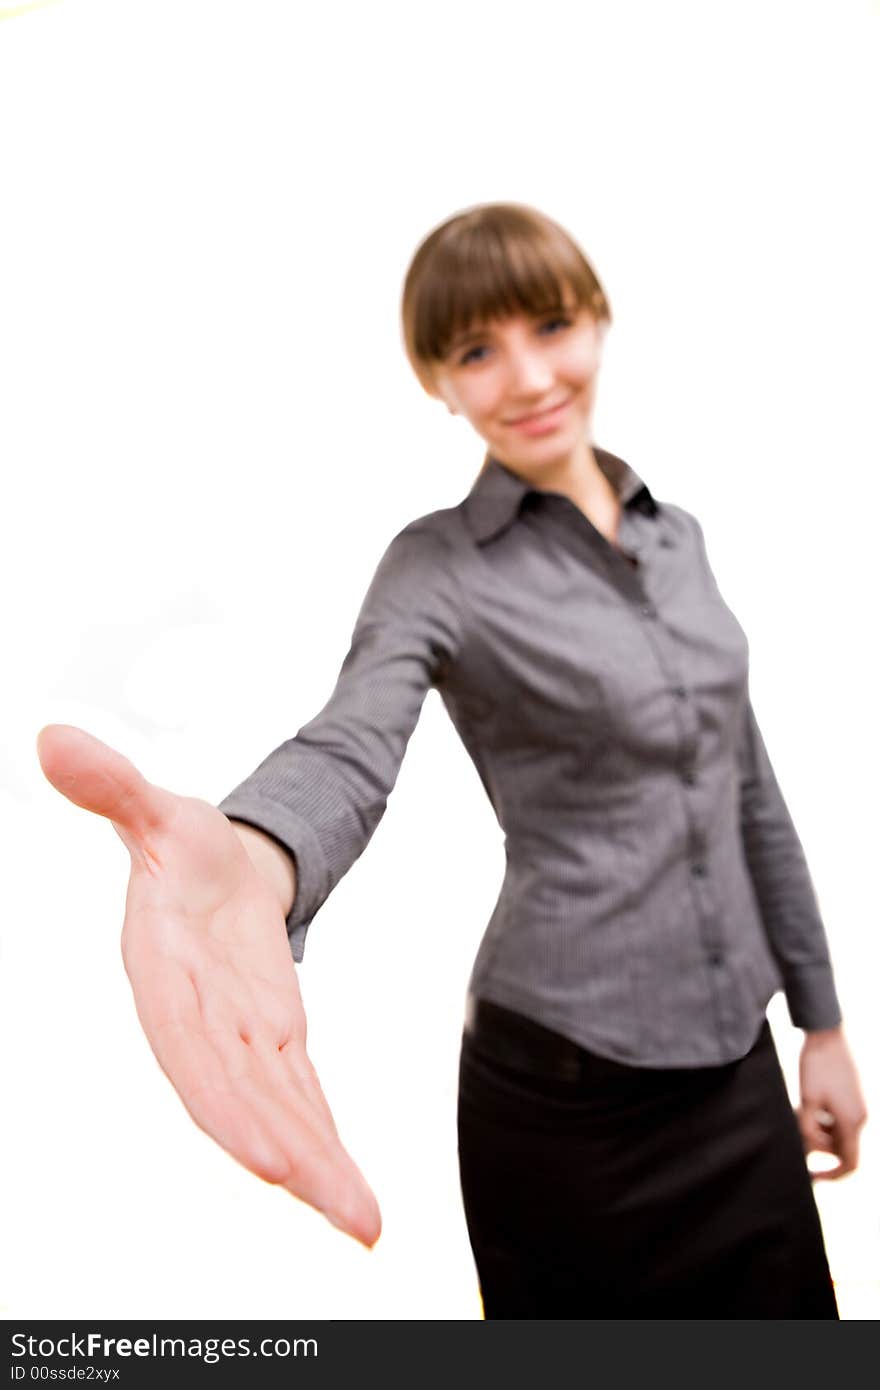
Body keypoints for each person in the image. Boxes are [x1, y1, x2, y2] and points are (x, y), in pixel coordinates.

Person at [38, 202, 867, 1318]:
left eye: (549, 326)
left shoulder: (682, 541)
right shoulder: (436, 569)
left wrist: (818, 1023)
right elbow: (350, 743)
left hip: (735, 1074)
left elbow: (748, 791)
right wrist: (256, 850)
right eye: (476, 350)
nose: (525, 376)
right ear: (438, 379)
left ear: (598, 324)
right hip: (567, 1102)